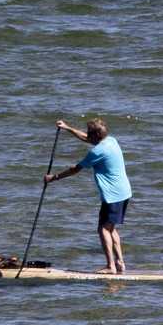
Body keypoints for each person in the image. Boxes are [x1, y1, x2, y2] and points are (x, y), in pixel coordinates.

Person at [43, 117, 133, 273]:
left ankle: (110, 266)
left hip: (112, 195)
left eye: (90, 135)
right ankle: (120, 263)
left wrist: (54, 178)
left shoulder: (98, 151)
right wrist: (67, 128)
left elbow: (75, 169)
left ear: (96, 136)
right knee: (111, 228)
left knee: (103, 230)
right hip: (124, 192)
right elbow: (87, 138)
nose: (87, 137)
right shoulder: (111, 141)